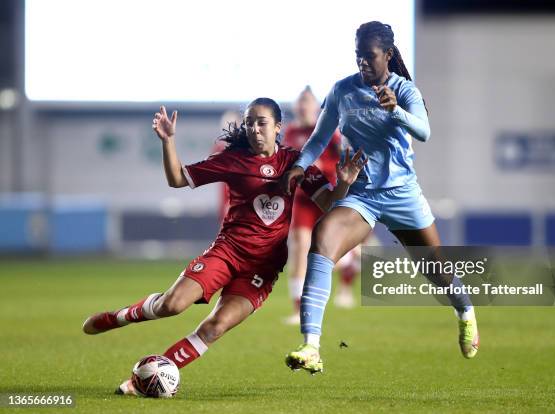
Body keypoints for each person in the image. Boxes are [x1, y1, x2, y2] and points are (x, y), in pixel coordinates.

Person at [82, 98, 366, 395]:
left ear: (278, 127)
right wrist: (168, 141)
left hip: (263, 268)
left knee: (214, 328)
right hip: (227, 252)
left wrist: (344, 184)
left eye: (262, 122)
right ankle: (120, 316)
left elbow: (327, 204)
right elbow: (178, 178)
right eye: (249, 123)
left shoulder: (296, 163)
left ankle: (144, 380)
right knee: (172, 305)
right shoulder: (234, 160)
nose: (254, 129)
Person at [283, 21, 479, 375]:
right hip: (362, 196)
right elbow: (318, 137)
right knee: (322, 239)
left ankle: (464, 310)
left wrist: (396, 111)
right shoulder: (343, 91)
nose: (362, 63)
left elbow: (425, 132)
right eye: (358, 56)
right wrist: (300, 165)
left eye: (369, 56)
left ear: (387, 55)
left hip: (402, 194)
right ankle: (311, 346)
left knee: (434, 269)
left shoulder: (404, 90)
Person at [282, 87, 362, 324]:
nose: (303, 106)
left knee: (330, 251)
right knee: (299, 250)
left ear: (316, 107)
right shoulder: (291, 132)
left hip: (327, 194)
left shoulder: (328, 132)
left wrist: (322, 167)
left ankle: (347, 267)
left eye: (308, 102)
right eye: (300, 102)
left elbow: (344, 162)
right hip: (302, 199)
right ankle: (299, 310)